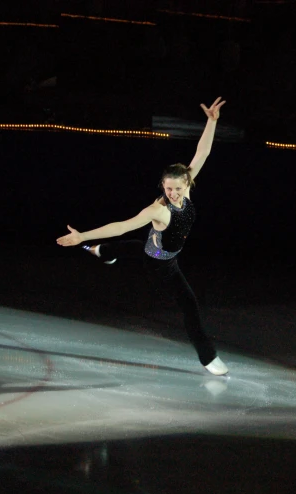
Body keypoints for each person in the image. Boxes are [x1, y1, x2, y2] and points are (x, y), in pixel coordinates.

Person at [56, 97, 229, 376]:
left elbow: (203, 152)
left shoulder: (185, 188)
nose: (172, 193)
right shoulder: (157, 210)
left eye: (176, 188)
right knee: (189, 306)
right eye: (167, 187)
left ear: (187, 183)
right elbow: (121, 225)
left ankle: (102, 252)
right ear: (162, 185)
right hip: (162, 264)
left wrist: (211, 121)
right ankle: (209, 358)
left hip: (153, 247)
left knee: (132, 247)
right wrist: (82, 236)